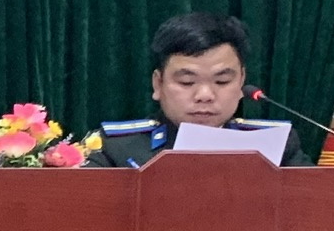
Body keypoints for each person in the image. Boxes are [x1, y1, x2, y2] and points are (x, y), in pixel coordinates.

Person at [91, 13, 293, 165]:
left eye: (221, 81)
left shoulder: (279, 147)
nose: (205, 96)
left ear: (241, 82)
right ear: (158, 84)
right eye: (187, 82)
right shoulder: (115, 148)